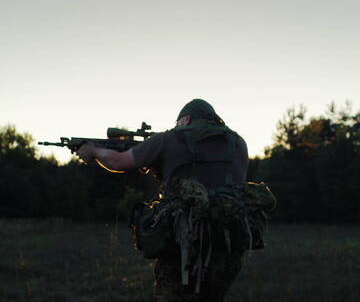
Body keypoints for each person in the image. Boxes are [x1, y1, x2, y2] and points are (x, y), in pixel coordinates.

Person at [76, 98, 249, 302]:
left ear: (185, 120)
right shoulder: (238, 142)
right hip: (229, 241)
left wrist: (94, 151)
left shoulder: (171, 138)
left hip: (182, 242)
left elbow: (117, 161)